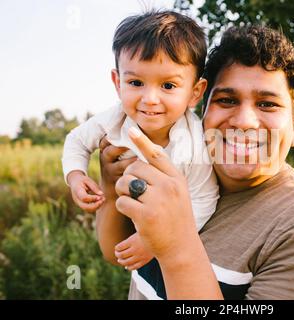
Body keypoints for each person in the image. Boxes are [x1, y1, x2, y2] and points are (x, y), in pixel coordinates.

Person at [98, 25, 294, 299]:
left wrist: (176, 247)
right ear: (201, 111)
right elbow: (120, 253)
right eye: (227, 100)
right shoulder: (175, 172)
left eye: (267, 104)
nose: (244, 121)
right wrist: (111, 189)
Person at [61, 11, 219, 273]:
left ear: (195, 93)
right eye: (136, 82)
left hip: (176, 243)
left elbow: (204, 201)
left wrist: (156, 241)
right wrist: (76, 176)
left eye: (168, 86)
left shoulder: (193, 144)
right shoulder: (115, 118)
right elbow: (76, 140)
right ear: (118, 82)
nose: (150, 99)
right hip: (126, 222)